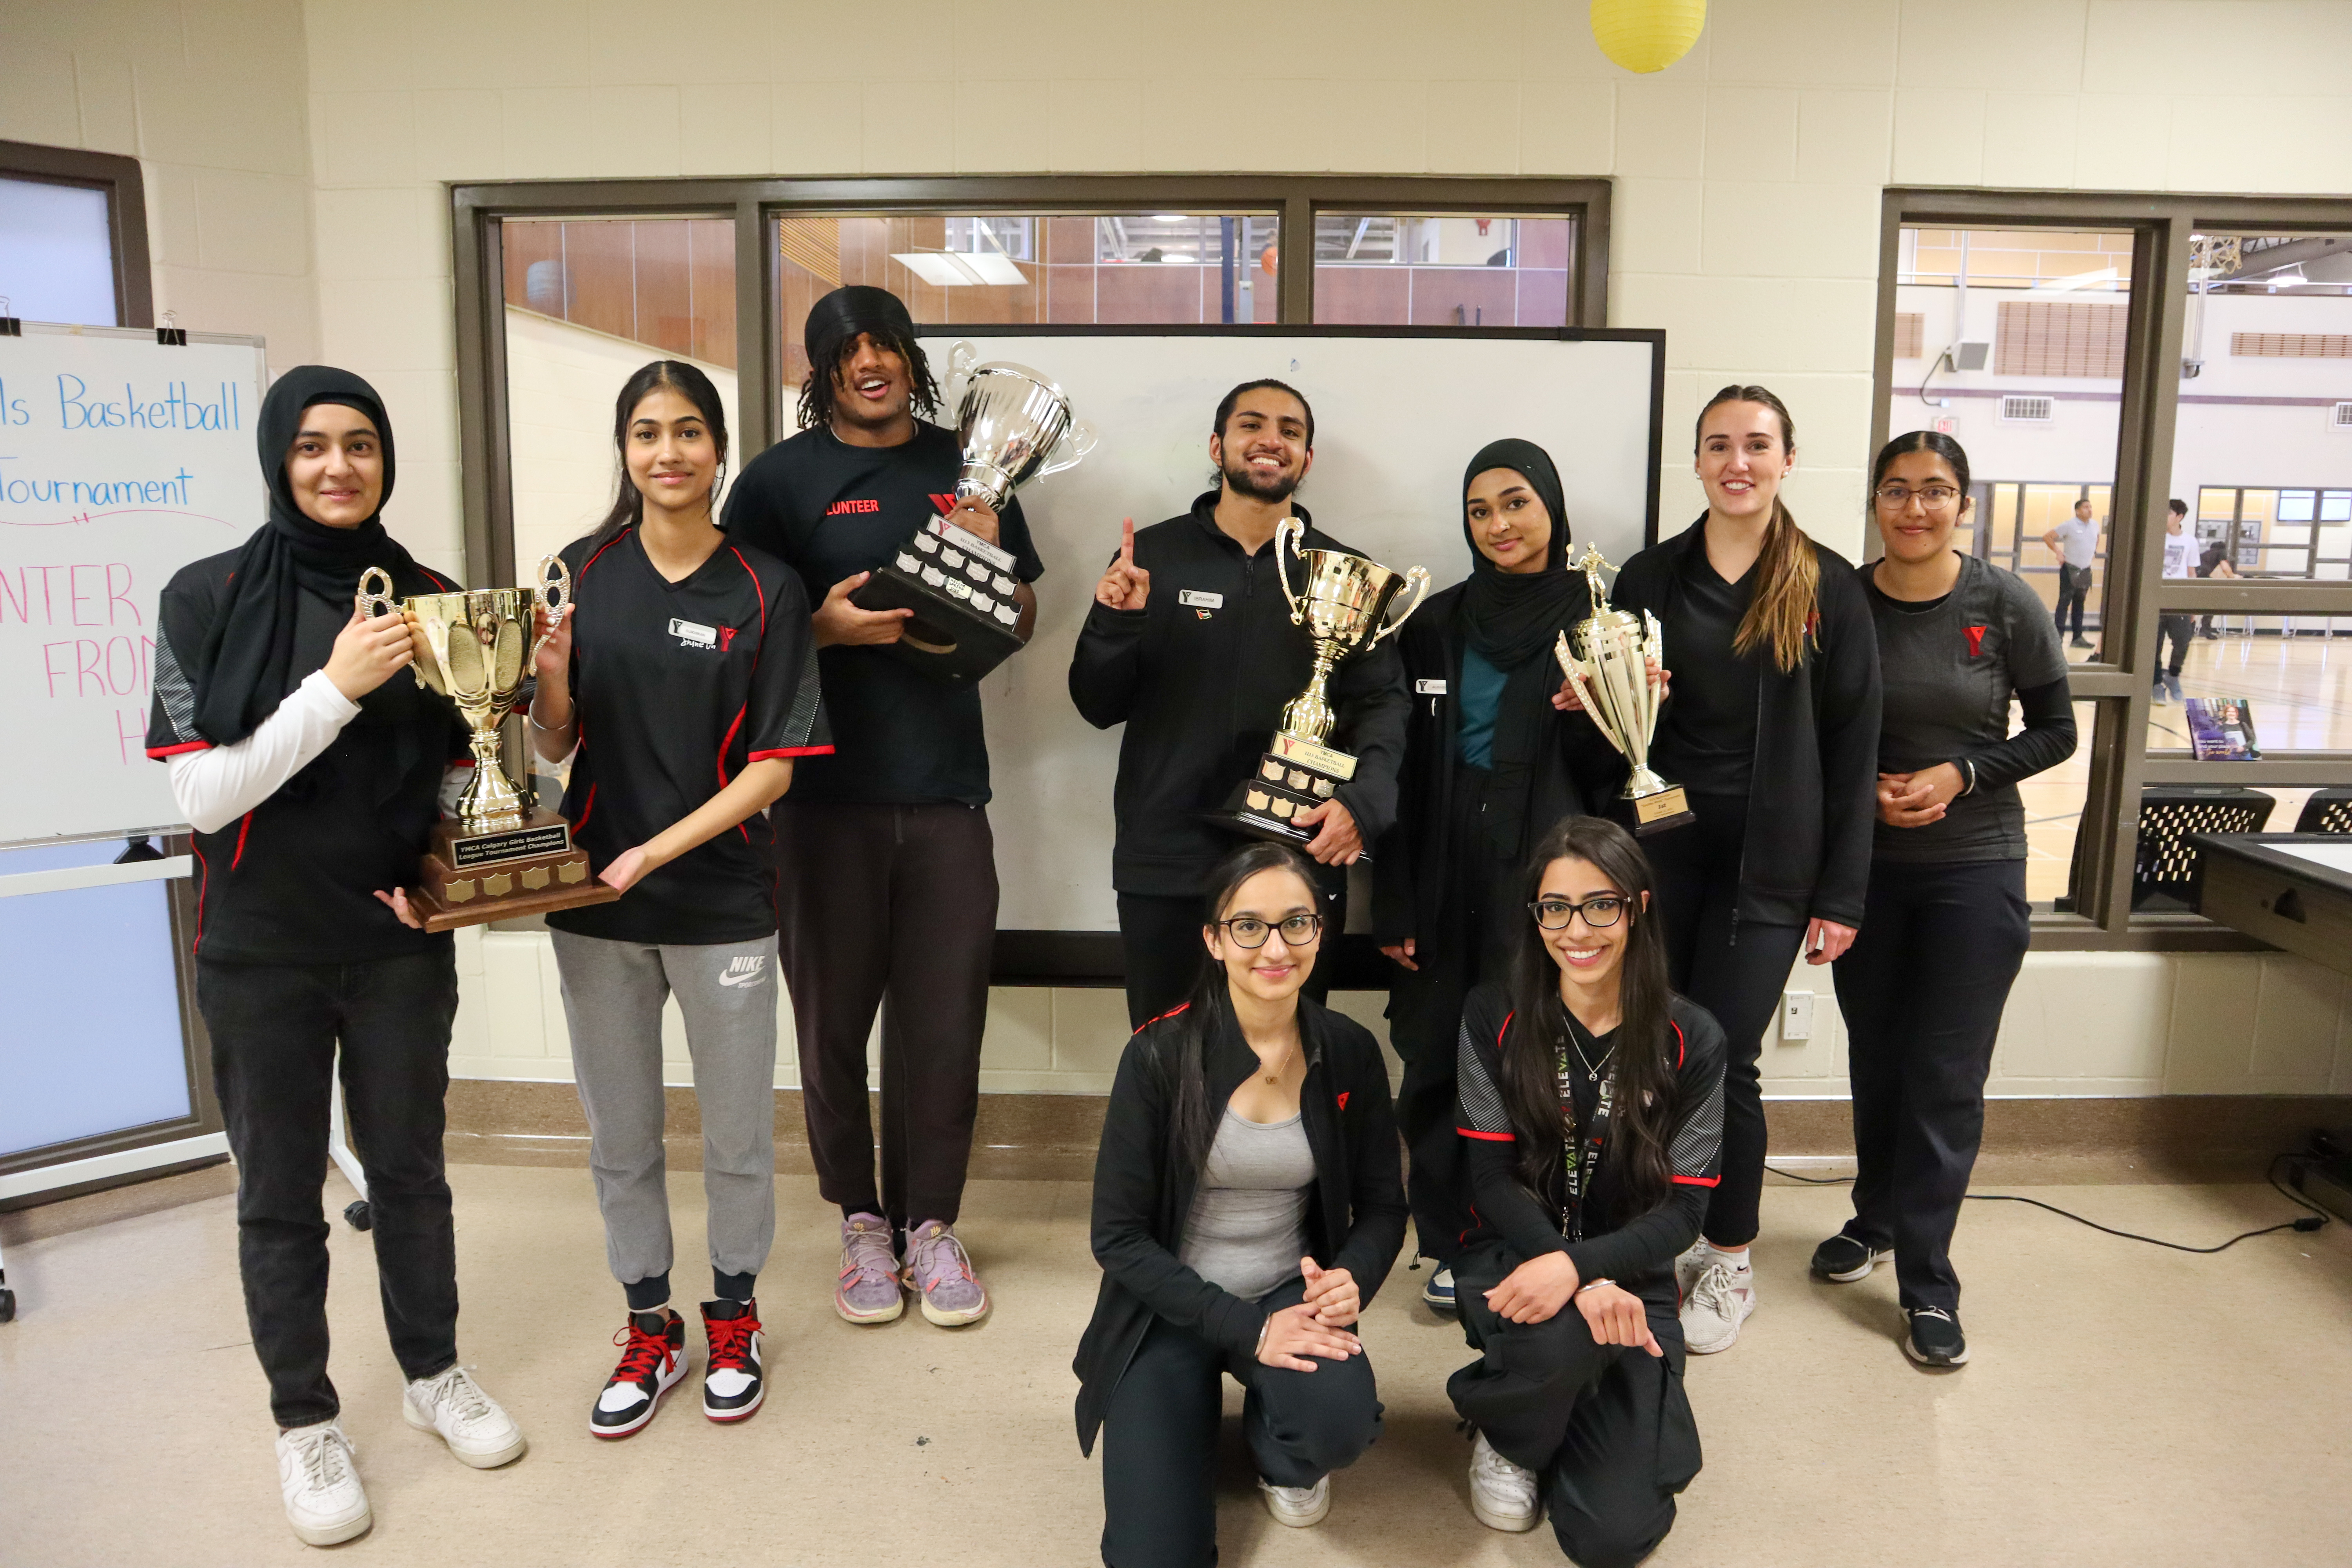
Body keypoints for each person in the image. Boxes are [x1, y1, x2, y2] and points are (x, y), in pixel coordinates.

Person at [145, 367, 525, 1546]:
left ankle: (432, 1370)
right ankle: (305, 1422)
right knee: (278, 1197)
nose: (337, 467)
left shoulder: (432, 599)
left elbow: (460, 772)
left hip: (395, 949)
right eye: (312, 446)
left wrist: (450, 875)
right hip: (259, 953)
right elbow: (200, 796)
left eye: (361, 444)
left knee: (411, 1172)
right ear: (279, 457)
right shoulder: (202, 596)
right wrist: (332, 689)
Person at [722, 286, 1041, 1328]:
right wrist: (822, 634)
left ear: (910, 360)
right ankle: (861, 1222)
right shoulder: (776, 483)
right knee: (830, 1029)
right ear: (822, 374)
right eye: (848, 351)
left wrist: (991, 558)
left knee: (945, 1025)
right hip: (816, 803)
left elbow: (1023, 615)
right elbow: (736, 633)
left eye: (887, 345)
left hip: (949, 794)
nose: (872, 362)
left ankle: (932, 1226)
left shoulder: (970, 466)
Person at [528, 362, 831, 1436]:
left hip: (720, 902)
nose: (669, 452)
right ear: (625, 450)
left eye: (690, 431)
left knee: (740, 1133)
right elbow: (554, 738)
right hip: (594, 905)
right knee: (622, 1133)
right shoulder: (578, 569)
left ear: (718, 450)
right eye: (648, 432)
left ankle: (735, 1314)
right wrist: (553, 671)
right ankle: (650, 1322)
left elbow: (776, 766)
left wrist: (654, 850)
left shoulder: (766, 587)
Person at [1556, 384, 1880, 1355]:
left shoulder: (1828, 585)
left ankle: (1730, 1254)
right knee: (1649, 1053)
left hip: (1771, 868)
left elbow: (1856, 745)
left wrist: (1842, 893)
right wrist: (1588, 705)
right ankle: (1662, 1234)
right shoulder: (1650, 577)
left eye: (1757, 444)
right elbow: (1609, 746)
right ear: (1696, 463)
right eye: (1718, 445)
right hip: (1661, 853)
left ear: (1787, 460)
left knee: (1722, 1058)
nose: (1737, 461)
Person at [1812, 431, 2076, 1369]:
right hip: (1867, 874)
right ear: (1875, 502)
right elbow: (1812, 723)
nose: (1915, 508)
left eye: (1934, 491)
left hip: (1975, 871)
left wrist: (1962, 772)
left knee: (1944, 1077)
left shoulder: (2004, 602)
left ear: (1963, 502)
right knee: (1878, 1058)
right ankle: (1875, 1218)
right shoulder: (1840, 598)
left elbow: (2056, 732)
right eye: (1896, 490)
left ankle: (1927, 1281)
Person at [1073, 841, 1407, 1567]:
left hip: (1291, 1292)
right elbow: (1119, 1238)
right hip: (1169, 1304)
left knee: (1339, 1426)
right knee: (1154, 1557)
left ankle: (1275, 1448)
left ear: (1322, 931)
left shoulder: (1349, 1051)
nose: (1275, 947)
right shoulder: (1158, 1056)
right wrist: (1247, 1331)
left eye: (1297, 923)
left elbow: (1385, 1206)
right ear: (1215, 940)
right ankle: (1194, 1401)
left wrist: (1356, 1274)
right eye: (1248, 926)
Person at [1069, 379, 1410, 1027]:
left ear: (1306, 461)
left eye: (1291, 431)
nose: (1271, 440)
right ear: (1218, 445)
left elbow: (1384, 709)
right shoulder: (1153, 560)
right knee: (1166, 1057)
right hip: (1166, 861)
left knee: (1285, 1059)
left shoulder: (1345, 573)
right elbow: (1096, 704)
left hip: (1296, 856)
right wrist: (1117, 623)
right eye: (1252, 424)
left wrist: (1362, 808)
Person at [1372, 439, 1620, 1312]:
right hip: (1445, 866)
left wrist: (1587, 714)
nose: (1499, 524)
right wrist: (1395, 899)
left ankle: (1543, 1239)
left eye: (1515, 503)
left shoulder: (1601, 620)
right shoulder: (1437, 622)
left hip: (1551, 871)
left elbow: (1618, 772)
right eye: (1480, 510)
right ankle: (1452, 1239)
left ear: (1551, 505)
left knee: (1543, 1061)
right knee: (1438, 1057)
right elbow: (1399, 770)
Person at [1448, 814, 1724, 1562]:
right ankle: (1512, 1434)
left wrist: (1584, 1268)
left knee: (1614, 1537)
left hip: (1632, 1280)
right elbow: (1490, 1179)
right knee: (1560, 1340)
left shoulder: (1691, 1037)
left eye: (1601, 905)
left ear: (1637, 908)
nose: (1578, 929)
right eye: (1556, 908)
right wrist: (1560, 1265)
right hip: (1512, 1254)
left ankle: (1547, 1406)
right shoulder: (1492, 1015)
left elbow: (1686, 1210)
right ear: (1535, 916)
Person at [2154, 498, 2199, 704]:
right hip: (2156, 597)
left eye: (2169, 513)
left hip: (2179, 599)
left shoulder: (2190, 542)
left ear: (2179, 517)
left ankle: (2173, 676)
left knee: (2182, 641)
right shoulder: (2155, 538)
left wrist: (2193, 605)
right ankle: (2155, 683)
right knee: (2154, 644)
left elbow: (2192, 573)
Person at [2040, 497, 2100, 650]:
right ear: (2078, 511)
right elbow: (2048, 537)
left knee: (2080, 604)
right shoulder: (2069, 525)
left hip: (2085, 570)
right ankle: (2058, 636)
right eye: (2086, 507)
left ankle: (2077, 637)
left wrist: (2093, 552)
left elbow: (2096, 539)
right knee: (2064, 603)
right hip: (2070, 569)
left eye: (2091, 507)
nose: (2090, 510)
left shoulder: (2095, 525)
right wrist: (2059, 552)